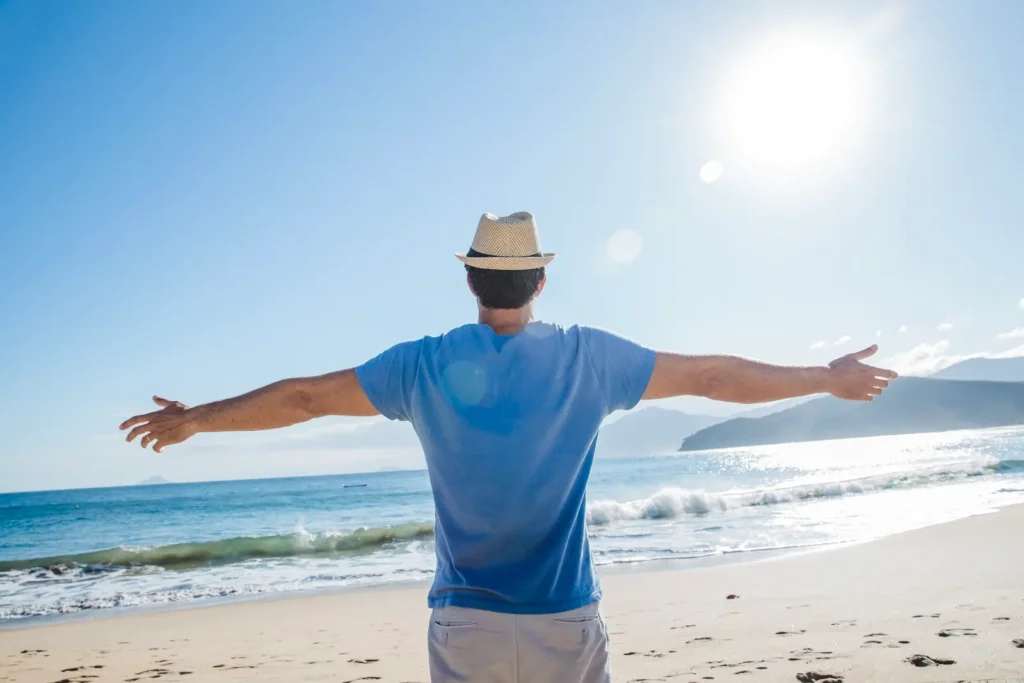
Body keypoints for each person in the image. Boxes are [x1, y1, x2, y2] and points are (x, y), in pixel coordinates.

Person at [120, 211, 897, 683]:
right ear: (540, 283)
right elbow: (712, 374)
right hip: (565, 616)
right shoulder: (590, 358)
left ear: (471, 281)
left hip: (466, 623)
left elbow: (304, 397)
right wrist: (824, 378)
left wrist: (197, 419)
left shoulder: (421, 366)